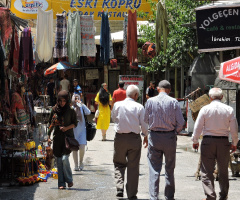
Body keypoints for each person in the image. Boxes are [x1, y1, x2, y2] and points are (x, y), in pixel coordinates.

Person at [192, 87, 239, 200]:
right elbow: (234, 129)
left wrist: (195, 141)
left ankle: (210, 196)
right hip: (223, 142)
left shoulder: (205, 109)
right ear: (222, 97)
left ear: (210, 97)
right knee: (223, 171)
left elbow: (198, 127)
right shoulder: (229, 109)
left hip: (208, 141)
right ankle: (223, 196)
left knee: (206, 171)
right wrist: (234, 143)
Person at [144, 80, 185, 200]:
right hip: (169, 137)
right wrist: (175, 132)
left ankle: (153, 197)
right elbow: (181, 122)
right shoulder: (174, 102)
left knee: (154, 168)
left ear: (157, 89)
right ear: (169, 90)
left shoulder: (150, 101)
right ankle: (169, 196)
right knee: (169, 168)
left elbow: (145, 119)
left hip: (155, 137)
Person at [111, 85, 148, 199]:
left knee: (119, 163)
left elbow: (113, 118)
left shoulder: (117, 105)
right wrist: (146, 136)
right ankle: (131, 194)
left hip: (120, 138)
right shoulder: (139, 107)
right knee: (133, 166)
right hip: (134, 139)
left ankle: (120, 188)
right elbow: (144, 124)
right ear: (136, 95)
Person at [47, 90, 77, 189]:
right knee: (59, 161)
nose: (62, 103)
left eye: (64, 101)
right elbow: (50, 124)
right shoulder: (54, 110)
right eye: (60, 101)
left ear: (67, 100)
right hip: (57, 139)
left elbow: (74, 123)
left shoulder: (71, 110)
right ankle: (61, 184)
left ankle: (69, 179)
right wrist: (48, 137)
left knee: (65, 159)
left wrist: (66, 128)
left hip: (67, 138)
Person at [71, 94, 91, 171]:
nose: (76, 100)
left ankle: (81, 162)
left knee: (82, 147)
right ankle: (76, 164)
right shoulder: (72, 108)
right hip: (74, 131)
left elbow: (89, 112)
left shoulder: (82, 107)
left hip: (82, 131)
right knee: (74, 149)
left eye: (78, 98)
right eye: (75, 99)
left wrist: (82, 104)